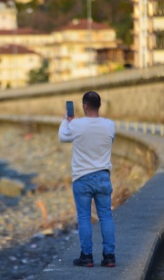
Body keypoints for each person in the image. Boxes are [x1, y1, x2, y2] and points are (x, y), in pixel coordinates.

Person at [58, 91, 116, 268]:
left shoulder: (76, 124)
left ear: (84, 106)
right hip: (103, 176)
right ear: (99, 105)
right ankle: (109, 257)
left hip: (82, 178)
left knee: (84, 217)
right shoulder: (109, 125)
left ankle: (87, 256)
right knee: (106, 216)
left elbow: (63, 137)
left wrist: (66, 120)